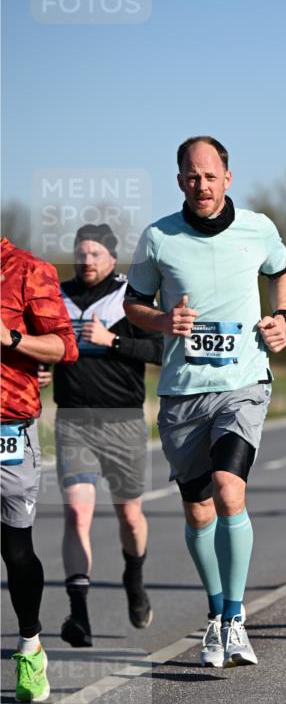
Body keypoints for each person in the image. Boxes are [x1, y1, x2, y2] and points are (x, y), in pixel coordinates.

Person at [124, 136, 286, 668]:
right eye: (191, 176)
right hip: (182, 392)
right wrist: (161, 321)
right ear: (180, 181)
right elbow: (133, 303)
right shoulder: (158, 238)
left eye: (210, 174)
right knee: (198, 508)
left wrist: (282, 317)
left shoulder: (258, 228)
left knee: (228, 489)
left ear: (228, 177)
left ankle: (235, 620)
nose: (202, 184)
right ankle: (216, 610)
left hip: (243, 383)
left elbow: (283, 270)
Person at [52, 223, 163, 648]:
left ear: (112, 259)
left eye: (95, 253)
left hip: (123, 421)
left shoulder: (128, 299)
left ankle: (134, 579)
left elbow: (159, 351)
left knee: (129, 516)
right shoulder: (57, 298)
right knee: (77, 514)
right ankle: (78, 614)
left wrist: (112, 341)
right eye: (81, 253)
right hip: (73, 420)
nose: (87, 260)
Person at [0, 236, 78, 702]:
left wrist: (11, 338)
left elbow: (64, 347)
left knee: (16, 552)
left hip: (9, 429)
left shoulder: (28, 270)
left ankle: (30, 645)